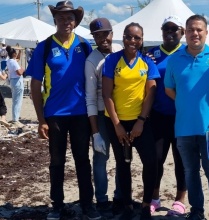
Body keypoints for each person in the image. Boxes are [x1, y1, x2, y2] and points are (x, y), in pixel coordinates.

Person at [25, 1, 100, 220]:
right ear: (55, 19)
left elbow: (100, 70)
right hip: (55, 115)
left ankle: (88, 204)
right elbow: (35, 85)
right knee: (57, 161)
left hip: (80, 114)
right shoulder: (45, 47)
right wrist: (41, 119)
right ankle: (57, 204)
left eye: (70, 18)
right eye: (61, 17)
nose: (66, 21)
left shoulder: (85, 45)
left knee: (82, 160)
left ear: (76, 21)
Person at [164, 15, 209, 220]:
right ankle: (197, 211)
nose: (195, 33)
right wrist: (187, 103)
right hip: (184, 129)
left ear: (206, 32)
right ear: (184, 33)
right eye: (190, 30)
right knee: (190, 173)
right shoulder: (175, 58)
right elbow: (169, 89)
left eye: (199, 30)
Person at [102, 22, 160, 220]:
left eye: (137, 38)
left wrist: (141, 121)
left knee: (151, 163)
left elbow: (150, 94)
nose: (132, 41)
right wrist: (117, 125)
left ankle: (145, 205)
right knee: (123, 164)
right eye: (128, 37)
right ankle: (127, 205)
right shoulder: (112, 60)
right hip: (116, 122)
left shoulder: (147, 61)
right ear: (123, 38)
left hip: (140, 122)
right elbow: (107, 94)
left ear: (142, 40)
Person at [147, 15, 187, 216]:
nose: (170, 32)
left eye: (174, 29)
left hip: (182, 116)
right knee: (155, 159)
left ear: (182, 32)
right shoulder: (151, 53)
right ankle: (154, 197)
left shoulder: (188, 52)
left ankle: (180, 200)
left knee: (181, 160)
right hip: (158, 116)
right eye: (166, 29)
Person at [84, 17, 123, 217]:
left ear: (112, 33)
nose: (102, 39)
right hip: (101, 114)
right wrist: (95, 132)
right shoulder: (92, 61)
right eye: (97, 35)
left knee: (123, 158)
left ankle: (120, 196)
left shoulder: (120, 51)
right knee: (100, 158)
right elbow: (90, 97)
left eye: (105, 34)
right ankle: (101, 199)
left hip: (122, 113)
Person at [6, 46, 24, 128]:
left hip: (13, 81)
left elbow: (17, 59)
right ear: (14, 54)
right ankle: (15, 119)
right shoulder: (13, 62)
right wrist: (23, 69)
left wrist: (20, 52)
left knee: (15, 100)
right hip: (17, 81)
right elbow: (19, 72)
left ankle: (15, 118)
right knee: (18, 101)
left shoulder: (9, 61)